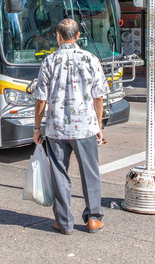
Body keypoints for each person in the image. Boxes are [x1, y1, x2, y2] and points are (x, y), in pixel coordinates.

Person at [33, 18, 108, 235]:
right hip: (85, 127)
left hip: (56, 128)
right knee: (90, 172)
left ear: (57, 37)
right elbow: (99, 98)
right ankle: (94, 219)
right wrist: (99, 125)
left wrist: (37, 128)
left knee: (59, 173)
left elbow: (40, 99)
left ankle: (64, 222)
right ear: (77, 36)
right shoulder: (91, 59)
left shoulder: (49, 61)